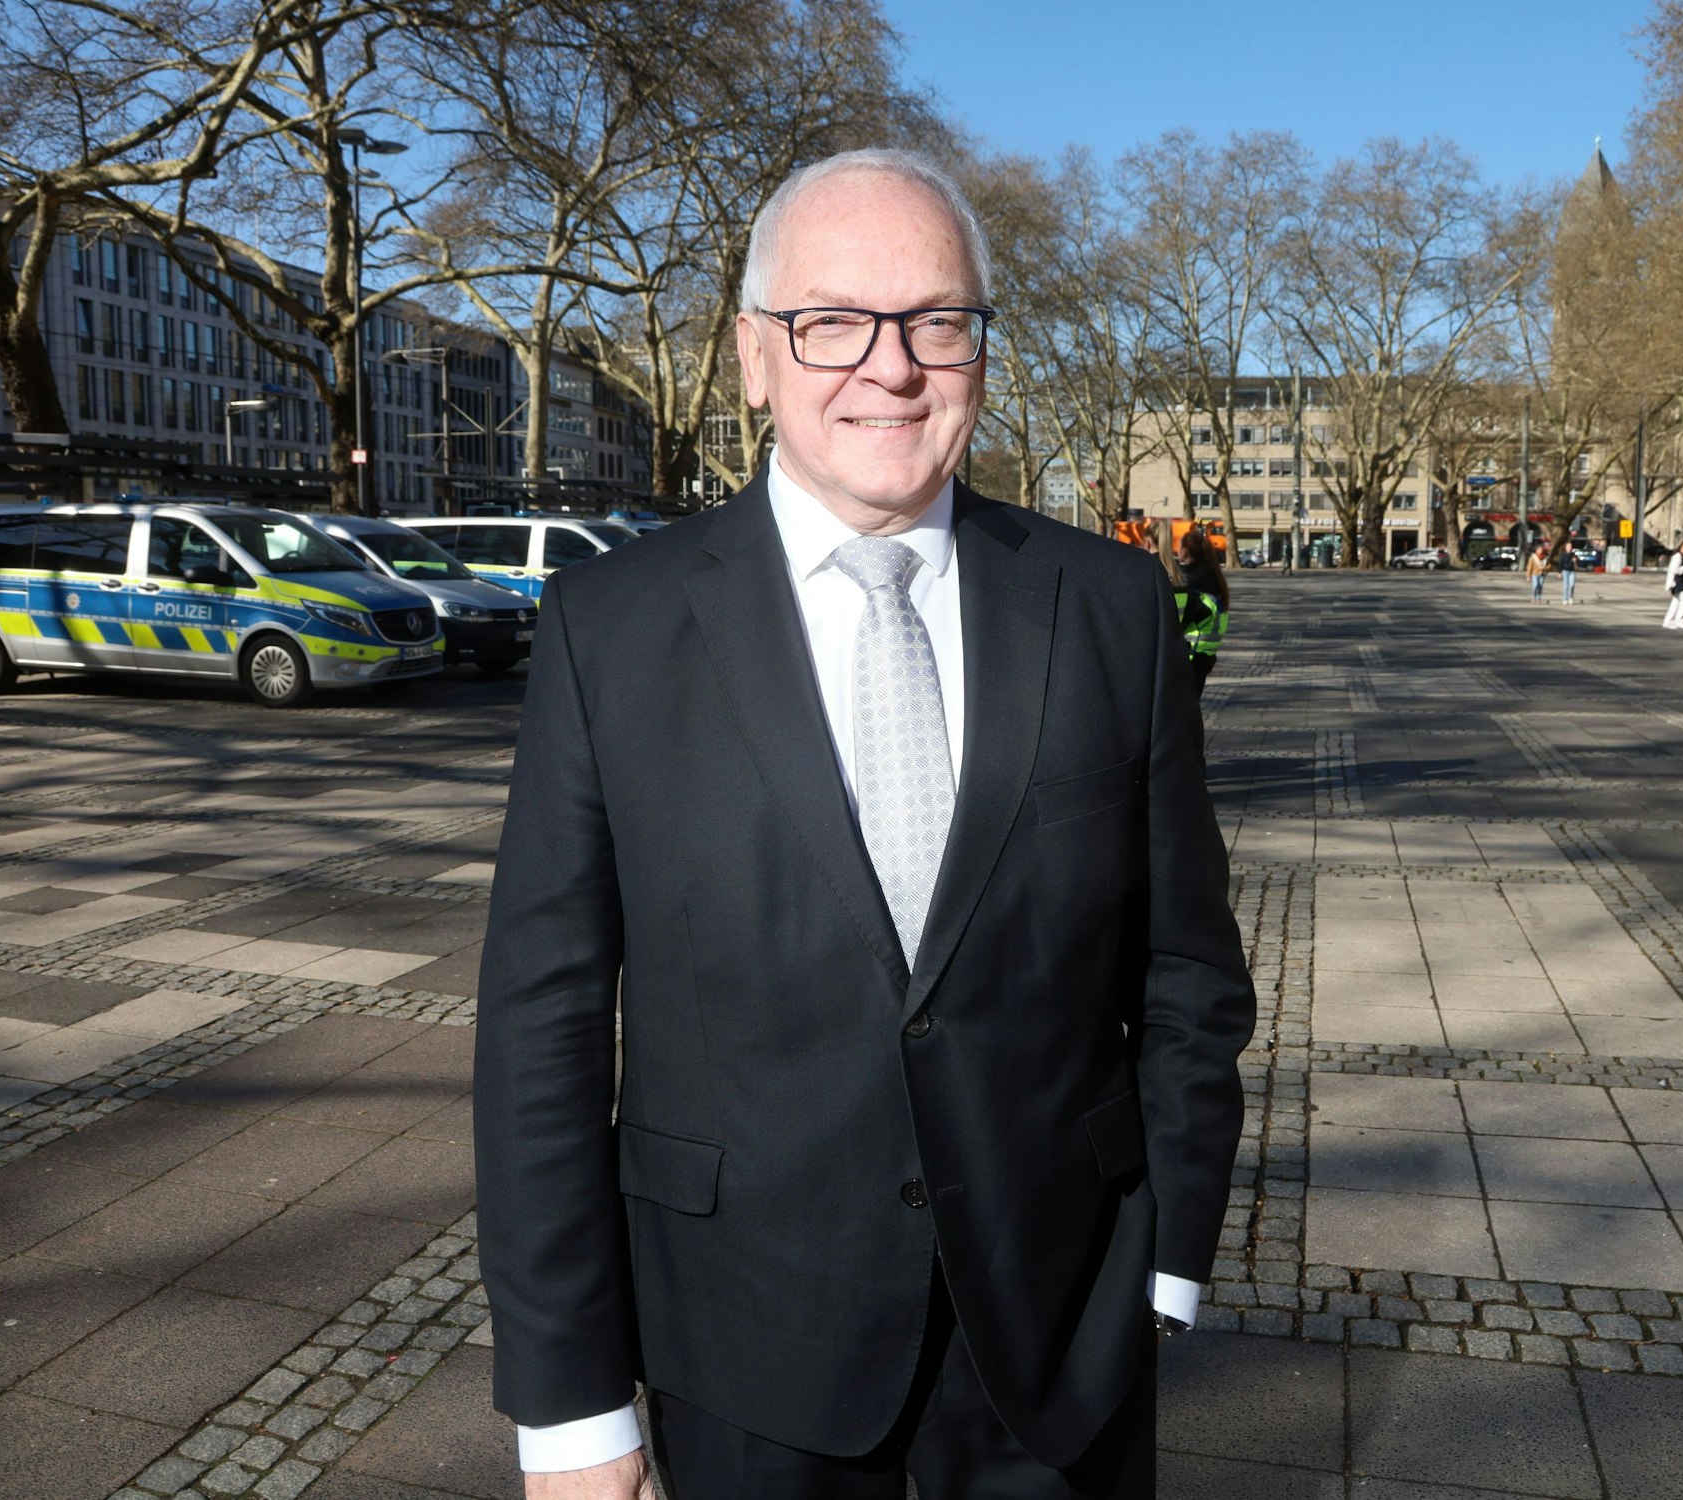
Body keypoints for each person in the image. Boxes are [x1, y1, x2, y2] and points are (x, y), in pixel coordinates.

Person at [475, 148, 1255, 1500]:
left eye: (935, 321)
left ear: (981, 351)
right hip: (744, 1352)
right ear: (754, 357)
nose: (889, 368)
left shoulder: (1111, 612)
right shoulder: (614, 628)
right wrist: (571, 1414)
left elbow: (1187, 976)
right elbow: (539, 1030)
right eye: (831, 321)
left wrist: (1167, 1260)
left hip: (1061, 1351)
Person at [1171, 525, 1229, 693]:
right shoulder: (1211, 573)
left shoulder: (1189, 580)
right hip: (1205, 653)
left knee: (1183, 713)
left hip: (1192, 652)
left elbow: (1182, 617)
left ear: (1185, 551)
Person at [1662, 540, 1683, 629]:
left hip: (1682, 582)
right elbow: (1675, 570)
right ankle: (1679, 619)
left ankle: (1668, 621)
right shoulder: (1677, 556)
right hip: (1677, 582)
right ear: (1680, 548)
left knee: (1676, 602)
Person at [1554, 538, 1579, 604]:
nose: (1569, 548)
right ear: (1566, 547)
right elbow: (1560, 564)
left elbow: (1577, 564)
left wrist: (1575, 561)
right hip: (1565, 571)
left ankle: (1571, 597)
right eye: (1568, 546)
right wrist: (1559, 572)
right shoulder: (1563, 555)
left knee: (1572, 585)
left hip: (1572, 571)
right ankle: (1565, 599)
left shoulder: (1574, 555)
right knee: (1566, 586)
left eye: (1570, 546)